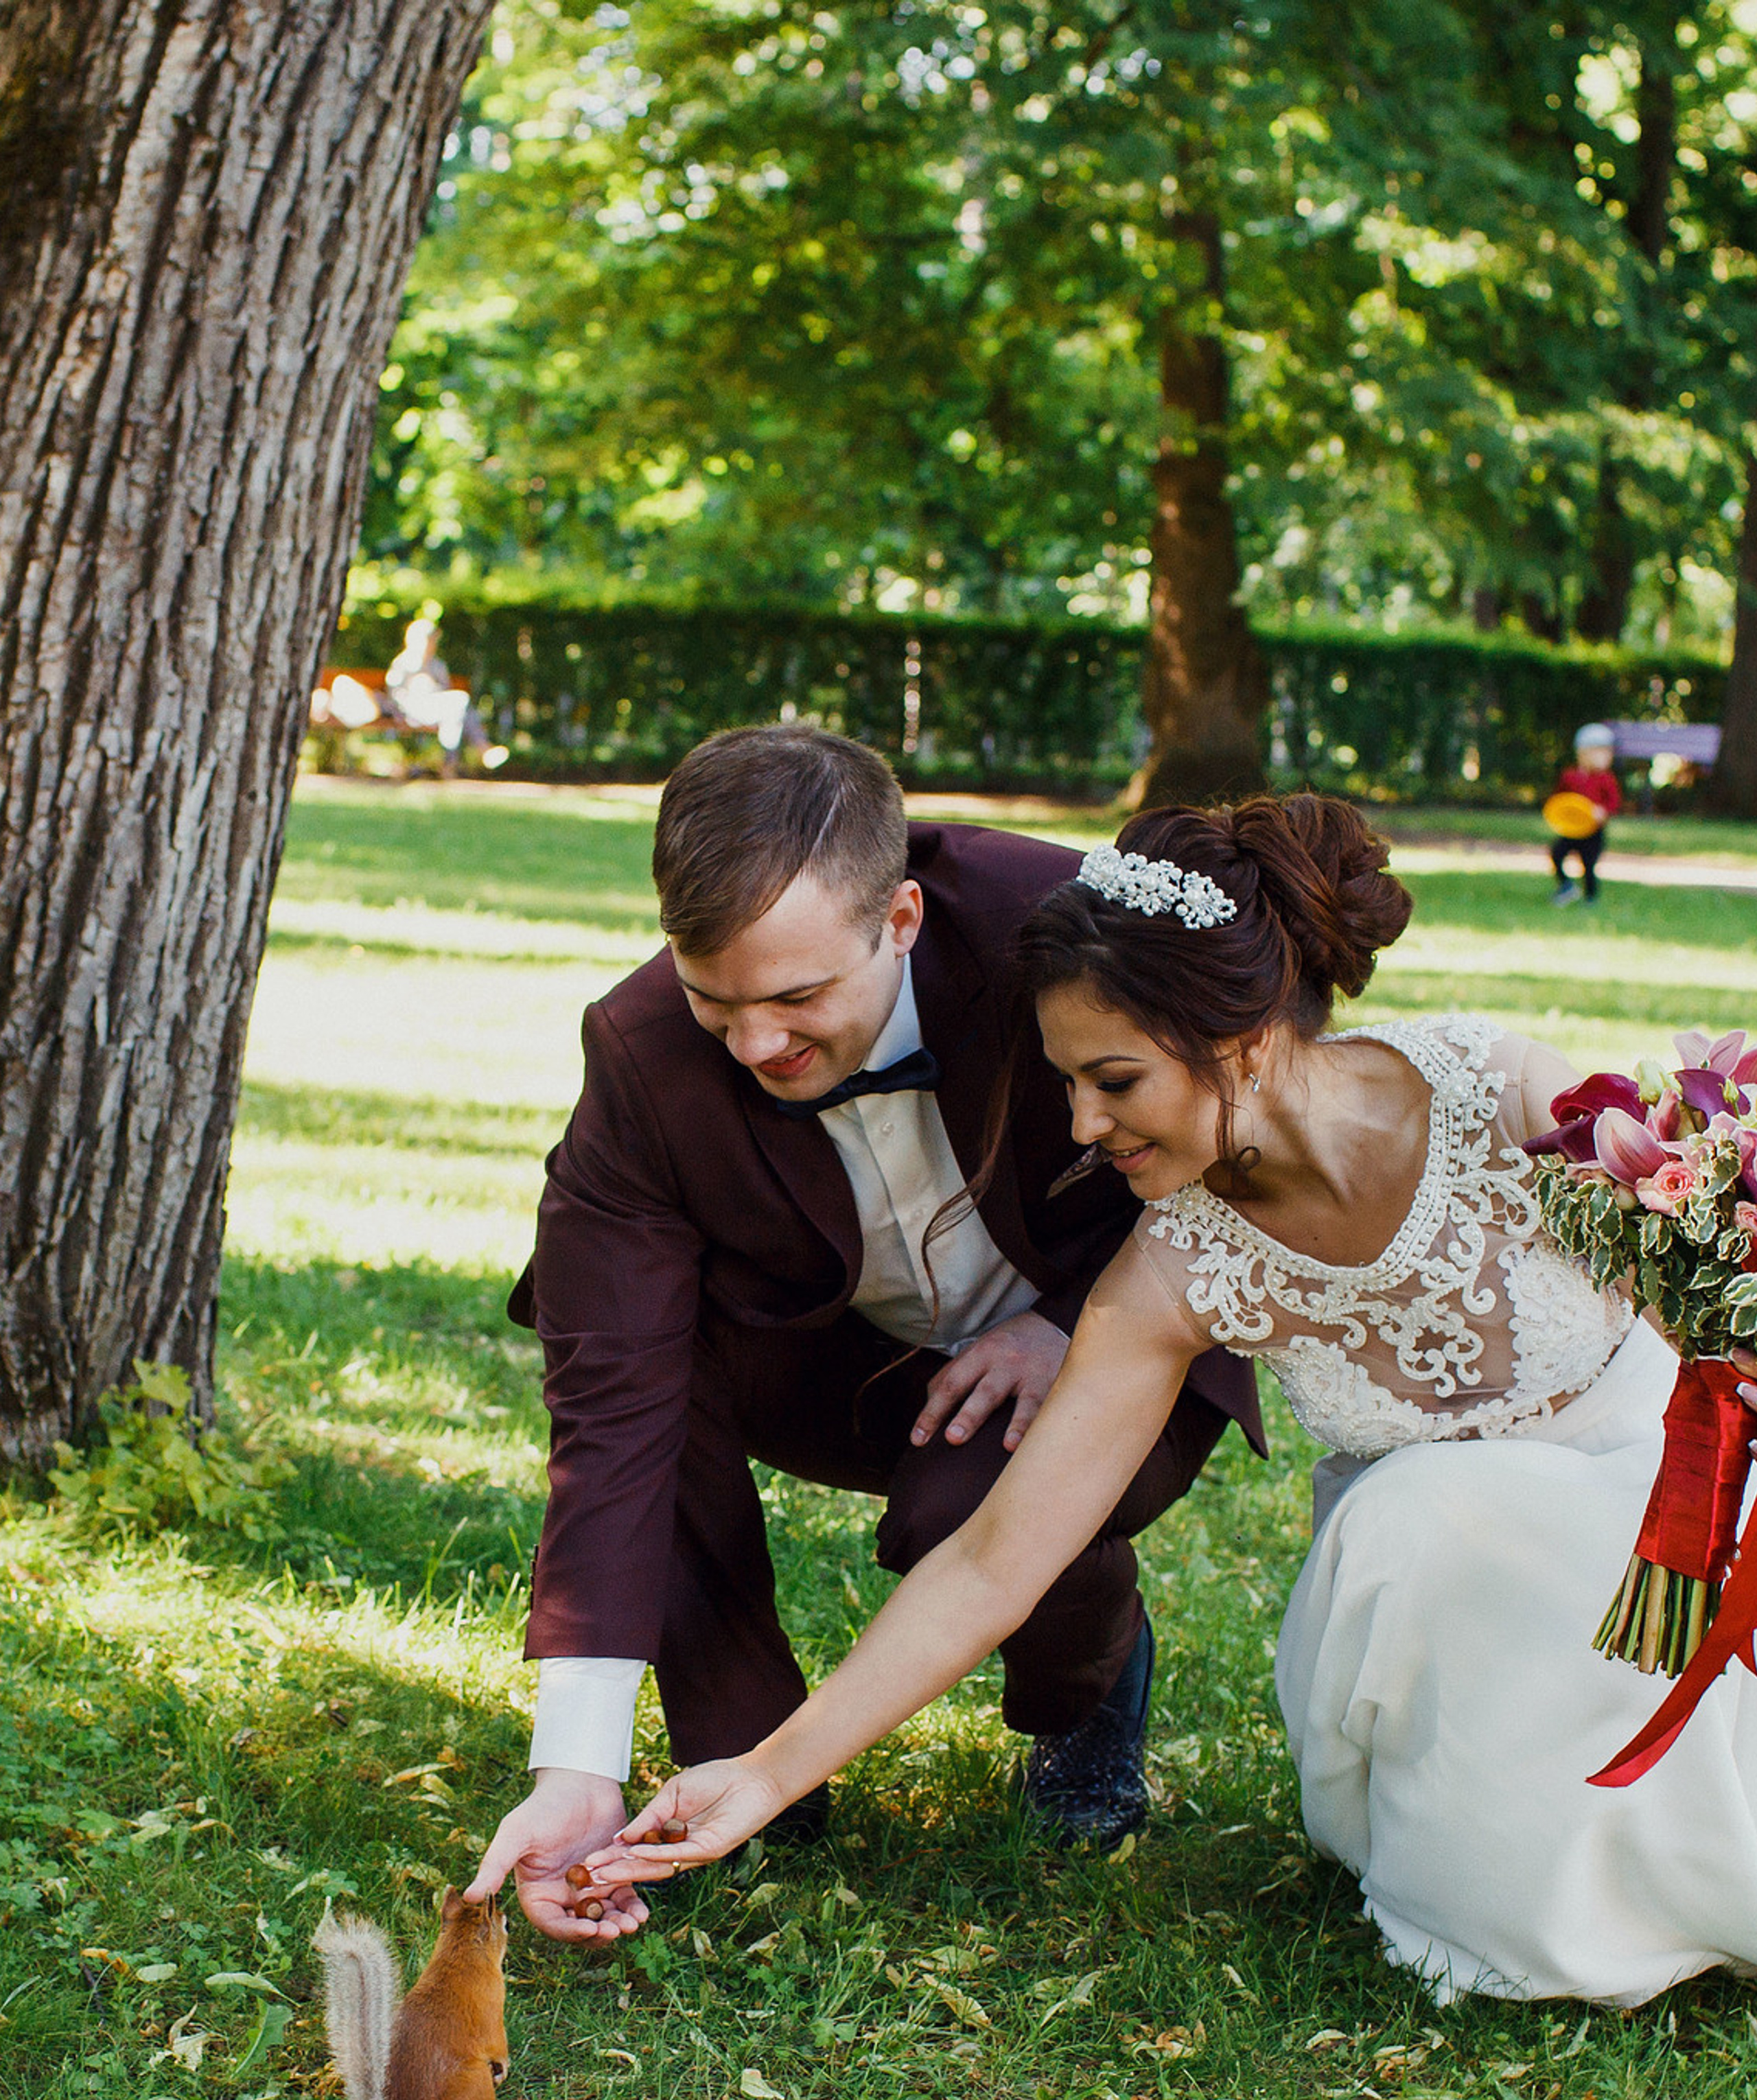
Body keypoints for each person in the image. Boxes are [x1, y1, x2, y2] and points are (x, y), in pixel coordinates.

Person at [579, 790, 1757, 2008]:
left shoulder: (1502, 1094)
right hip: (1447, 1623)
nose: (1082, 1127)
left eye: (1114, 1081)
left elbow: (1695, 1266)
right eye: (1067, 1085)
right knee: (1428, 1519)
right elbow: (994, 1560)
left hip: (1679, 1511)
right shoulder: (1169, 1275)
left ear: (1241, 1039)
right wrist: (768, 1774)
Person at [466, 725, 1261, 1947]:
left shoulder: (1061, 925)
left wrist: (1074, 1327)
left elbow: (1250, 1106)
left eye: (795, 1001)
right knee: (647, 1381)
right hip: (838, 1354)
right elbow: (607, 1403)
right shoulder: (638, 1052)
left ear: (899, 918)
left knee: (966, 1514)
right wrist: (574, 1760)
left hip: (1101, 1325)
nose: (756, 1048)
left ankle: (1087, 1699)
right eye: (713, 1001)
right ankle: (737, 1771)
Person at [384, 618, 508, 773]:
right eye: (430, 640)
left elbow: (446, 690)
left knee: (459, 712)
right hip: (413, 712)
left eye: (433, 641)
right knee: (461, 704)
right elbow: (394, 695)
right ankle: (476, 752)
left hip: (439, 710)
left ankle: (454, 762)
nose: (432, 645)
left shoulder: (437, 665)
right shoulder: (403, 664)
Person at [1549, 722, 1621, 907]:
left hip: (1593, 831)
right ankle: (1566, 886)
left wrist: (1603, 812)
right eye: (1601, 752)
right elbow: (1559, 799)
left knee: (1589, 865)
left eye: (1609, 752)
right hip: (1572, 828)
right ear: (1583, 753)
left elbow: (1613, 803)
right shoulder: (1570, 776)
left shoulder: (1607, 779)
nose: (1606, 757)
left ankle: (1591, 897)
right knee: (1557, 854)